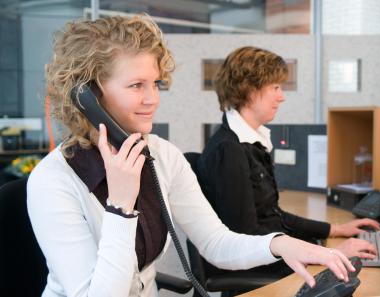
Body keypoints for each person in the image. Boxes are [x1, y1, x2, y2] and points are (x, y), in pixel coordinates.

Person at [27, 15, 356, 297]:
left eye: (155, 83)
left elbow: (216, 243)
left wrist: (280, 244)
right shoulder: (53, 181)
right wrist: (121, 207)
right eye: (136, 85)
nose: (152, 99)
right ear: (88, 96)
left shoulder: (160, 155)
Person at [197, 46, 380, 277]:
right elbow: (246, 239)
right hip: (254, 269)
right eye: (275, 87)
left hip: (272, 256)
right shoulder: (228, 151)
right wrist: (325, 253)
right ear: (249, 90)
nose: (281, 96)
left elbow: (275, 216)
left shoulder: (250, 143)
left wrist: (335, 230)